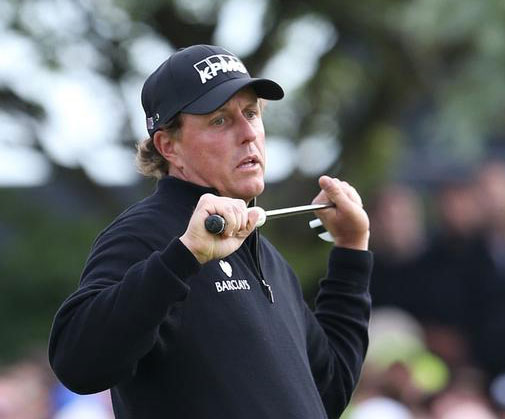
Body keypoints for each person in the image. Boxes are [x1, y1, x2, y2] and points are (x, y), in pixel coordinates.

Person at [48, 44, 373, 419]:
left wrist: (351, 250)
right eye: (220, 120)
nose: (248, 133)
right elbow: (77, 362)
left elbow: (327, 390)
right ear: (169, 146)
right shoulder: (147, 235)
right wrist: (183, 257)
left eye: (251, 113)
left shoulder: (267, 258)